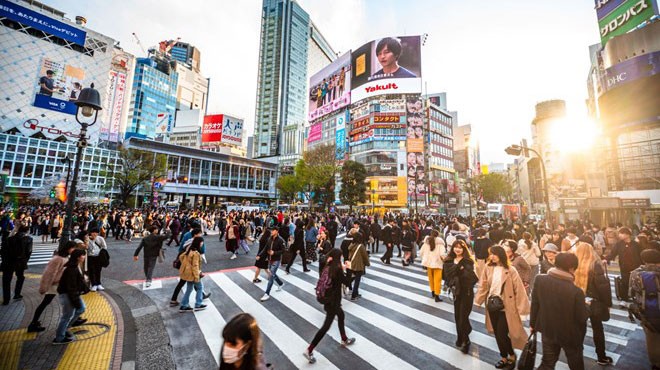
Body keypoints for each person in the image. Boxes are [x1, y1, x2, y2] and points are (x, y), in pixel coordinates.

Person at [475, 245, 530, 370]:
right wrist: (478, 300)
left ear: (501, 255)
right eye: (490, 254)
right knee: (497, 333)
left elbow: (519, 290)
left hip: (506, 307)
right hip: (492, 305)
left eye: (494, 254)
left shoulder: (511, 270)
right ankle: (504, 357)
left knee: (501, 333)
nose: (492, 257)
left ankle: (510, 355)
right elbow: (483, 285)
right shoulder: (488, 268)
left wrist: (522, 310)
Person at [531, 253, 589, 370]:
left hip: (547, 329)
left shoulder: (540, 279)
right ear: (571, 268)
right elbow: (582, 317)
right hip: (570, 334)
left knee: (547, 362)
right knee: (575, 362)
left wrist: (533, 324)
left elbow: (535, 304)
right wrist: (587, 306)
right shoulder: (576, 291)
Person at [304, 248, 355, 364]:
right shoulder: (337, 269)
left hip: (328, 300)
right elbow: (347, 282)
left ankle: (344, 339)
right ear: (339, 257)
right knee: (326, 327)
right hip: (333, 302)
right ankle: (309, 350)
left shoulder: (327, 266)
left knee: (341, 316)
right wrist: (349, 268)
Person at [574, 242, 613, 365]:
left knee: (579, 329)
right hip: (594, 303)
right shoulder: (595, 265)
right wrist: (608, 304)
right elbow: (603, 287)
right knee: (597, 329)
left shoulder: (572, 265)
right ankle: (601, 356)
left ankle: (575, 355)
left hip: (578, 302)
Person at [28, 241, 77, 332]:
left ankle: (75, 318)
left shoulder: (66, 257)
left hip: (60, 285)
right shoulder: (58, 258)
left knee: (69, 301)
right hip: (55, 285)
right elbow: (49, 274)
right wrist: (44, 287)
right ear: (68, 248)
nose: (74, 250)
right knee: (45, 303)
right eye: (73, 248)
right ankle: (33, 323)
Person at [443, 239, 478, 353]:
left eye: (460, 247)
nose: (457, 249)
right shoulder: (448, 261)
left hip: (467, 292)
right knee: (457, 316)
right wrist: (458, 269)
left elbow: (471, 277)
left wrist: (458, 270)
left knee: (463, 318)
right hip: (456, 292)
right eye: (455, 247)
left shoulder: (468, 261)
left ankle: (466, 340)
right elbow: (446, 276)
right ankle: (460, 337)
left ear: (464, 249)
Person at [629, 249, 660, 370]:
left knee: (652, 339)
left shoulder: (635, 273)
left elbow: (631, 293)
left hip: (646, 312)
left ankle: (656, 363)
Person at [54, 249, 89, 344]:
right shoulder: (71, 268)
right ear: (78, 257)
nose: (84, 257)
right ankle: (59, 338)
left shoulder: (75, 266)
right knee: (67, 316)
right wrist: (76, 301)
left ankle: (64, 330)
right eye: (83, 255)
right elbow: (71, 287)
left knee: (81, 309)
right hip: (67, 294)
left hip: (71, 294)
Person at [603, 227, 642, 302]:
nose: (619, 235)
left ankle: (637, 299)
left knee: (637, 284)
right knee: (625, 283)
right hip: (624, 267)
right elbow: (613, 253)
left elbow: (640, 255)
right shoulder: (619, 244)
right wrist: (606, 259)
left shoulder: (636, 244)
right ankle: (625, 299)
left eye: (621, 233)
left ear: (627, 235)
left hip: (636, 267)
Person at [1, 224, 32, 305]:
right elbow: (29, 252)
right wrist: (25, 261)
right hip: (20, 262)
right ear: (27, 231)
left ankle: (6, 299)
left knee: (6, 280)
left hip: (8, 262)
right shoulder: (28, 239)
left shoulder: (10, 239)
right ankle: (17, 294)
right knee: (20, 277)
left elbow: (3, 251)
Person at [178, 237, 207, 312]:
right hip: (193, 274)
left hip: (187, 273)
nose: (202, 244)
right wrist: (197, 276)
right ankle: (198, 304)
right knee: (200, 287)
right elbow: (195, 266)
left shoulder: (189, 250)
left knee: (189, 289)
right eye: (201, 242)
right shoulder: (196, 253)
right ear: (199, 243)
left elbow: (181, 257)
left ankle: (184, 305)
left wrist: (187, 266)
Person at [419, 229, 446, 302]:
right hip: (437, 263)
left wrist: (424, 259)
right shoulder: (440, 243)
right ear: (438, 235)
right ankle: (437, 295)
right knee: (437, 280)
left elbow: (421, 252)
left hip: (428, 263)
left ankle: (433, 292)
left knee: (431, 279)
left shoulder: (426, 242)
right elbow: (442, 254)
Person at [259, 228, 285, 302]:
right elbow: (265, 248)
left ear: (276, 231)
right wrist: (259, 255)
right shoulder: (269, 239)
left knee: (271, 276)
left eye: (273, 230)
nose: (271, 232)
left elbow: (283, 250)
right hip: (270, 260)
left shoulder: (280, 240)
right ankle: (281, 283)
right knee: (272, 274)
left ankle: (267, 293)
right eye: (271, 230)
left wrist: (274, 253)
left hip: (276, 260)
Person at [346, 230, 370, 301]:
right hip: (359, 265)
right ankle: (354, 295)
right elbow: (365, 256)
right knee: (357, 280)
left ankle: (355, 292)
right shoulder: (361, 246)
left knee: (354, 277)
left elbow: (349, 254)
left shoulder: (351, 245)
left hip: (352, 264)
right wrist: (367, 263)